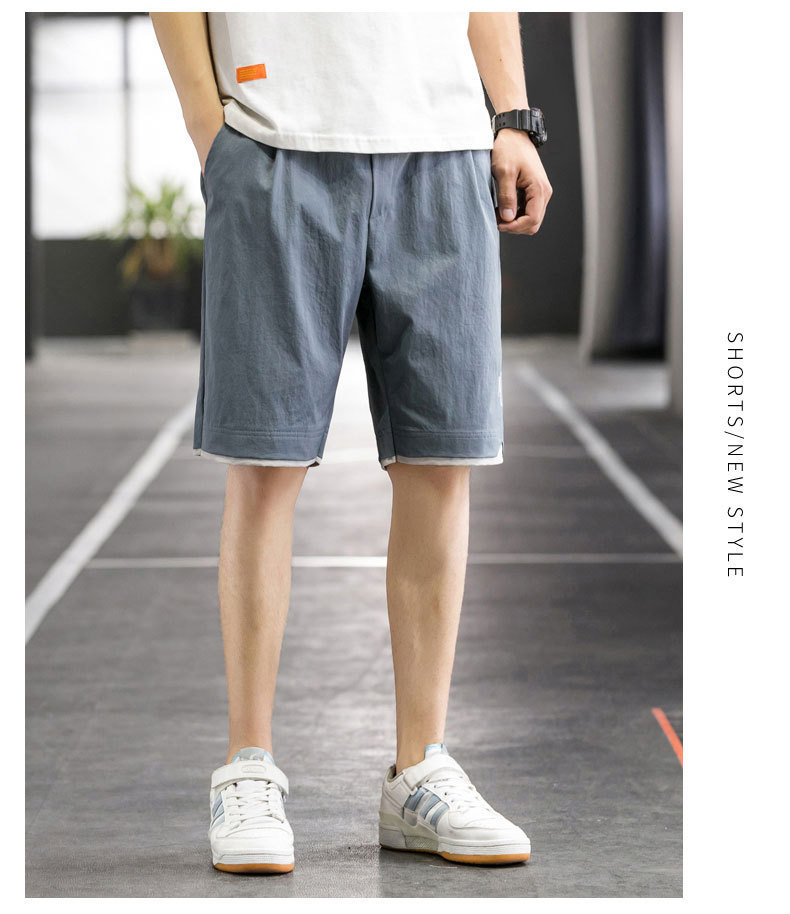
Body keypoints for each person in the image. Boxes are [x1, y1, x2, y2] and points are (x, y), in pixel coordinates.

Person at [151, 11, 551, 874]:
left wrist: (513, 117)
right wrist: (210, 133)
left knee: (441, 463)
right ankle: (248, 767)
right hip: (274, 141)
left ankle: (420, 773)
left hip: (445, 150)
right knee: (265, 466)